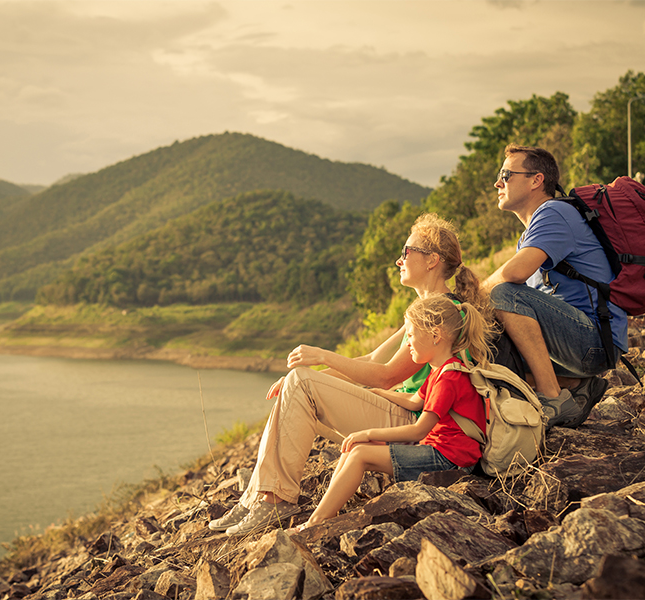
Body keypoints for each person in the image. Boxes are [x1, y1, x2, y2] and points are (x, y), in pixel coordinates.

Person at [209, 213, 488, 536]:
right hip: (406, 415)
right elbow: (370, 358)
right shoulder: (425, 310)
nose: (399, 260)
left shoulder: (440, 315)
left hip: (418, 430)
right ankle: (257, 496)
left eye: (406, 251)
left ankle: (275, 500)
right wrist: (310, 378)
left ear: (432, 261)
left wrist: (319, 359)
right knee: (295, 387)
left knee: (300, 381)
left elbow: (384, 376)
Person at [288, 295, 493, 531]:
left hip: (450, 461)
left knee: (359, 453)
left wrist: (366, 433)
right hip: (440, 451)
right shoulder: (442, 370)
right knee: (355, 448)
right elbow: (415, 402)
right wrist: (377, 392)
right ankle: (324, 512)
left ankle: (316, 523)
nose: (408, 344)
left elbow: (419, 429)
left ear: (435, 335)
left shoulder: (449, 377)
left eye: (412, 336)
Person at [483, 144, 627, 428]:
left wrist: (470, 292)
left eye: (507, 174)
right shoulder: (530, 234)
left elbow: (513, 275)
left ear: (536, 180)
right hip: (575, 344)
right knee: (486, 344)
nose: (498, 182)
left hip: (594, 342)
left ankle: (553, 396)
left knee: (503, 294)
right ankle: (574, 385)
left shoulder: (554, 214)